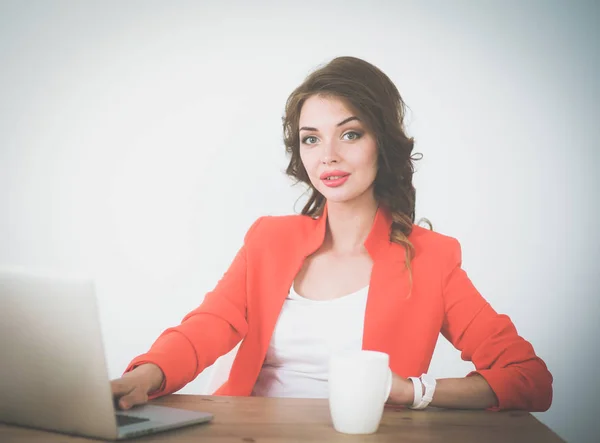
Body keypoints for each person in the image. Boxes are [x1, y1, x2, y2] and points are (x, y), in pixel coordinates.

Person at [111, 56, 553, 412]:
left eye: (351, 133)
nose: (329, 157)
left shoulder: (430, 259)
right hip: (249, 431)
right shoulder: (268, 240)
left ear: (383, 141)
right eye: (311, 139)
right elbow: (205, 329)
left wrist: (413, 391)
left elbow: (527, 378)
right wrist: (143, 376)